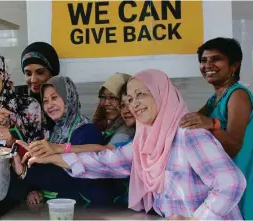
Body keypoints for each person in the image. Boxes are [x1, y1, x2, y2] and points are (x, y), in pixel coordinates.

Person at [22, 69, 247, 220]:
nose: (134, 104)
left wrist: (197, 219)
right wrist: (51, 156)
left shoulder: (189, 136)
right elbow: (105, 162)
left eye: (141, 95)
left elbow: (231, 183)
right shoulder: (145, 141)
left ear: (161, 95)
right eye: (129, 99)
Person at [179, 37, 252, 219]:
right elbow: (189, 122)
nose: (208, 65)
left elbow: (234, 146)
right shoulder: (214, 100)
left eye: (216, 59)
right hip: (225, 182)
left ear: (234, 65)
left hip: (243, 179)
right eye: (204, 60)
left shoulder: (238, 95)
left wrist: (212, 125)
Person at [12, 76, 114, 205]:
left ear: (68, 97)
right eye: (45, 101)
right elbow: (47, 169)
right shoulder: (54, 131)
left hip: (84, 210)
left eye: (54, 98)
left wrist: (25, 173)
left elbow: (72, 176)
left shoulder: (87, 131)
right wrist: (34, 190)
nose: (50, 105)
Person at [21, 42, 60, 132]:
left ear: (52, 73)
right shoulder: (19, 105)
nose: (33, 80)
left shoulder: (65, 104)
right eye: (28, 74)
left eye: (40, 72)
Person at [92, 73, 134, 144]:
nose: (106, 103)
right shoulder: (110, 125)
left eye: (112, 98)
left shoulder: (125, 132)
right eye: (103, 97)